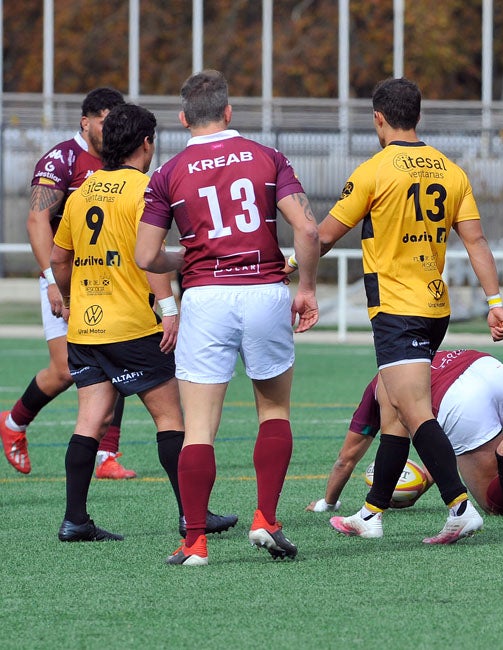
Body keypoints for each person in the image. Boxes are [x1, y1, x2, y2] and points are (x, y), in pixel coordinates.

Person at [135, 70, 321, 566]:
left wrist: (191, 256)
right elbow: (307, 227)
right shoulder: (267, 157)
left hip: (206, 299)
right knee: (274, 412)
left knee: (198, 427)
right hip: (264, 292)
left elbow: (147, 256)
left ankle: (195, 542)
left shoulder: (168, 173)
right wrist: (305, 287)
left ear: (182, 118)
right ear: (229, 112)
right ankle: (266, 519)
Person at [318, 77, 503, 545]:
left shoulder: (374, 171)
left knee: (413, 409)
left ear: (378, 118)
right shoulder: (450, 170)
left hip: (398, 310)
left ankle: (459, 506)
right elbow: (476, 240)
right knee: (393, 411)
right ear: (417, 116)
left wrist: (285, 266)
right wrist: (495, 301)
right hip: (433, 307)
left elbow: (323, 235)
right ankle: (372, 512)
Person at [49, 104, 238, 544]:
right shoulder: (145, 189)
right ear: (146, 142)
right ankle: (192, 516)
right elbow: (149, 253)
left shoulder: (82, 193)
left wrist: (71, 298)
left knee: (89, 421)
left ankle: (75, 518)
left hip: (87, 329)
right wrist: (167, 306)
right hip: (131, 327)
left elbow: (61, 258)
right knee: (172, 418)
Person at [1, 87, 137, 480]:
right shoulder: (62, 159)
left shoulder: (120, 161)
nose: (111, 129)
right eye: (105, 122)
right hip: (65, 279)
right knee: (65, 370)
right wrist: (51, 280)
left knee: (117, 360)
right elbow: (36, 221)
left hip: (107, 278)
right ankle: (14, 422)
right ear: (86, 121)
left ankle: (106, 456)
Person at [305, 349, 503, 515]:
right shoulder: (426, 352)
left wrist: (328, 503)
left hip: (461, 400)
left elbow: (346, 459)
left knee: (495, 503)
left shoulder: (380, 385)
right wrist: (426, 477)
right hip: (484, 365)